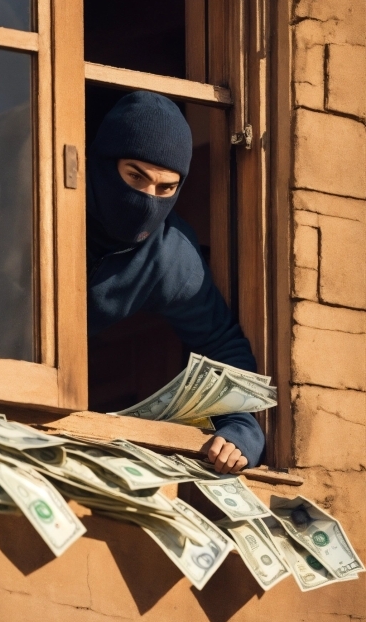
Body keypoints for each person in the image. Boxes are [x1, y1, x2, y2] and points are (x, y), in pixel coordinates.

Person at [86, 90, 265, 474]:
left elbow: (221, 345)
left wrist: (241, 429)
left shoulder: (171, 256)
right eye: (135, 176)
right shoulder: (38, 196)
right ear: (102, 162)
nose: (148, 200)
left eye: (166, 188)